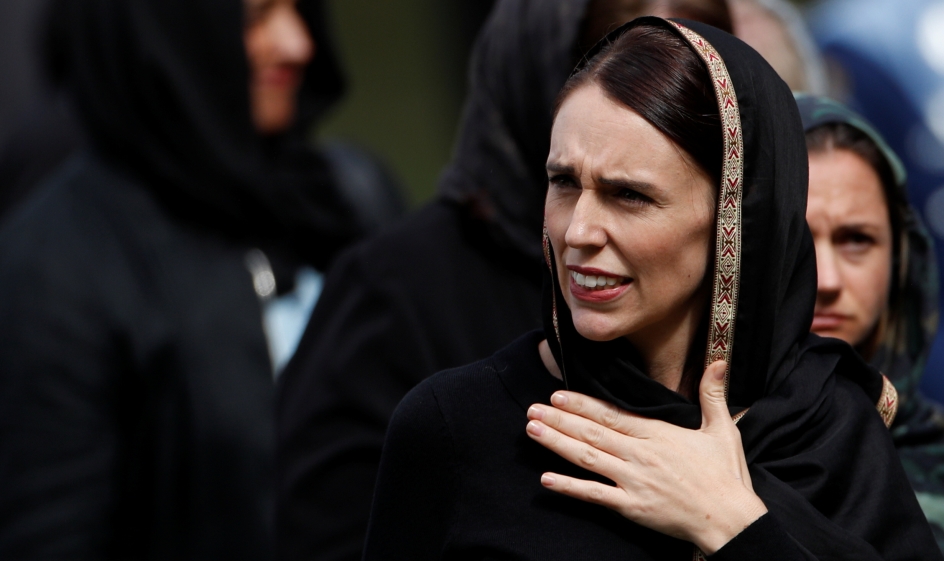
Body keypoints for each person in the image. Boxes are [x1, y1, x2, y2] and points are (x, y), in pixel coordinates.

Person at [363, 17, 941, 560]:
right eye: (563, 182)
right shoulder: (456, 426)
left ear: (737, 223)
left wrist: (733, 524)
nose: (579, 232)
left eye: (629, 195)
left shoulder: (829, 425)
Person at [273, 2, 731, 560]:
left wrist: (735, 526)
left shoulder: (820, 404)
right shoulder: (400, 296)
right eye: (622, 62)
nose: (583, 232)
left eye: (690, 73)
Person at [0, 0, 396, 557]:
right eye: (254, 19)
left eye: (300, 10)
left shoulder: (347, 200)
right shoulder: (47, 278)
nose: (296, 43)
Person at [798, 93, 944, 549]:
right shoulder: (686, 447)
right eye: (796, 240)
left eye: (856, 239)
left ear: (902, 258)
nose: (827, 280)